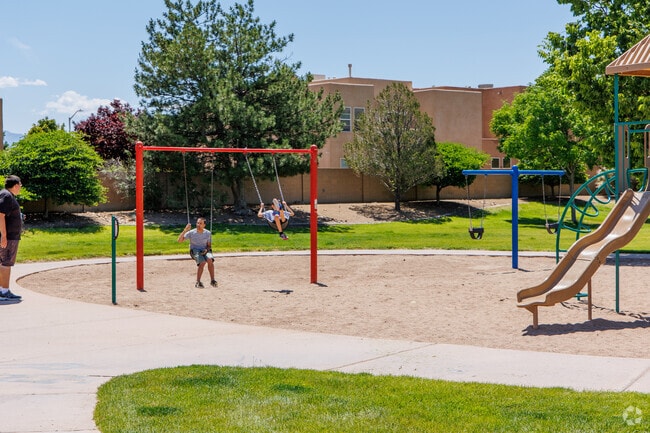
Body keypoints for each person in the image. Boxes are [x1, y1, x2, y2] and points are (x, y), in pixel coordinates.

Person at [0, 175, 23, 302]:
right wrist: (4, 236)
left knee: (2, 262)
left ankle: (1, 290)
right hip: (9, 237)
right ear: (15, 185)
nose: (20, 188)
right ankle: (4, 291)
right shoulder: (7, 196)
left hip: (9, 236)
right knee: (6, 263)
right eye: (20, 185)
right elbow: (0, 215)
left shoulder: (6, 195)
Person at [177, 217, 217, 288]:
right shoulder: (191, 232)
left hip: (205, 250)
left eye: (200, 223)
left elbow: (209, 246)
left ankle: (212, 280)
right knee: (202, 262)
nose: (198, 225)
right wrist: (185, 230)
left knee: (210, 260)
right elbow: (179, 241)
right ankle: (198, 282)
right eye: (197, 223)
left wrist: (206, 250)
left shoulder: (208, 233)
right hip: (194, 251)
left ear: (204, 225)